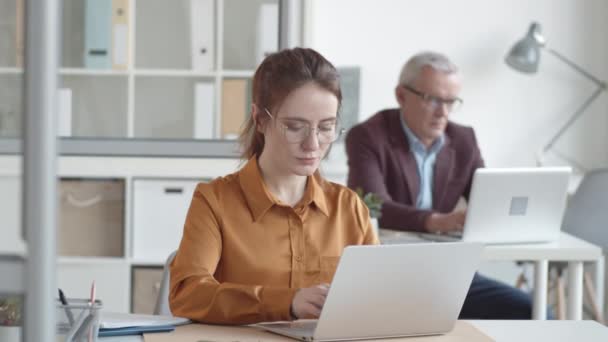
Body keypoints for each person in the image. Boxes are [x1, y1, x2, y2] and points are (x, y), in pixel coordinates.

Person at [169, 47, 378, 325]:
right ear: (260, 120)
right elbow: (187, 294)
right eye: (295, 127)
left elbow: (378, 296)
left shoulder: (349, 207)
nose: (313, 145)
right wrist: (288, 302)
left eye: (326, 127)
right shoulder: (214, 201)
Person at [345, 51, 535, 319]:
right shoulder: (368, 136)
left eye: (450, 101)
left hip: (448, 274)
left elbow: (486, 199)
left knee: (535, 312)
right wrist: (436, 221)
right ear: (401, 95)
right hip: (388, 275)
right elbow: (372, 207)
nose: (443, 112)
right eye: (432, 99)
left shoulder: (463, 139)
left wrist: (498, 215)